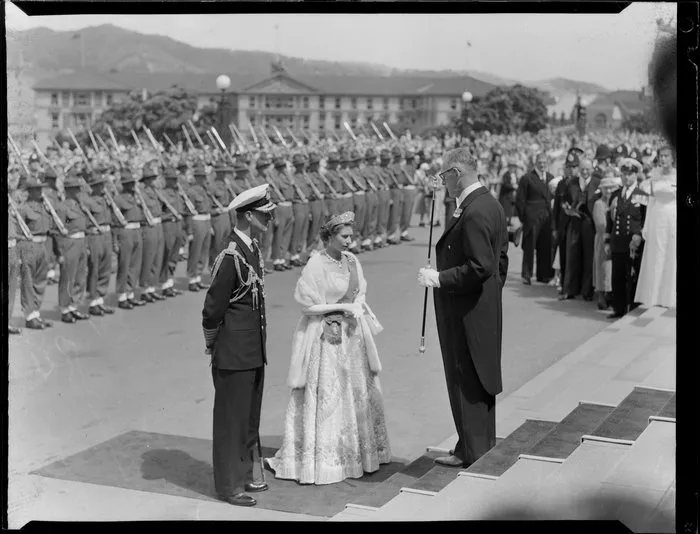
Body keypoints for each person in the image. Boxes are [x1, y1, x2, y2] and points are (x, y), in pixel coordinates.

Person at [266, 211, 391, 484]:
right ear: (330, 237)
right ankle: (325, 460)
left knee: (353, 393)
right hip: (326, 336)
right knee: (329, 397)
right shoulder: (316, 264)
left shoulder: (352, 260)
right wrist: (341, 307)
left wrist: (357, 304)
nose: (349, 241)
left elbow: (362, 291)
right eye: (344, 236)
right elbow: (307, 305)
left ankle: (354, 454)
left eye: (351, 235)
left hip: (352, 335)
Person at [417, 147, 509, 468]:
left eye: (444, 175)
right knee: (477, 378)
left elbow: (480, 266)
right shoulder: (488, 203)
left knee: (466, 379)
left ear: (457, 173)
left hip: (466, 309)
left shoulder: (474, 210)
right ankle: (474, 444)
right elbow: (500, 262)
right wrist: (491, 293)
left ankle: (473, 451)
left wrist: (440, 278)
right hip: (480, 306)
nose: (443, 181)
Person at [201, 184, 276, 508]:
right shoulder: (231, 255)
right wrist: (215, 346)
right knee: (231, 420)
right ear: (248, 215)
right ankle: (229, 485)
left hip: (252, 350)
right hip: (233, 352)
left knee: (248, 417)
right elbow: (213, 309)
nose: (269, 220)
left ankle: (245, 473)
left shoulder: (252, 249)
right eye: (264, 215)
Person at [605, 158, 648, 319]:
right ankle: (619, 307)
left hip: (633, 242)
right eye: (624, 174)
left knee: (632, 276)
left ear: (636, 175)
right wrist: (608, 240)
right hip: (618, 241)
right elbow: (610, 219)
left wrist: (640, 234)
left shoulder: (641, 194)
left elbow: (645, 218)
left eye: (630, 174)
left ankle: (633, 307)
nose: (626, 178)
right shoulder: (616, 195)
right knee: (617, 276)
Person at [634, 146, 676, 309]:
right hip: (657, 218)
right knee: (657, 257)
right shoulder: (655, 175)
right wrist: (646, 225)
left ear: (672, 158)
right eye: (661, 156)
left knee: (671, 256)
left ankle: (669, 296)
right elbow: (650, 200)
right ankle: (655, 296)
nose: (663, 159)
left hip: (672, 218)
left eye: (666, 156)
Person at [515, 152, 554, 285]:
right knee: (529, 247)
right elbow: (520, 199)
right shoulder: (527, 178)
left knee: (545, 246)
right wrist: (523, 217)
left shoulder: (551, 178)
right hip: (532, 217)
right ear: (535, 163)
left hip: (547, 217)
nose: (542, 165)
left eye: (544, 162)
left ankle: (544, 275)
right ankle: (527, 274)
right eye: (540, 162)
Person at [592, 172, 621, 310]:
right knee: (602, 268)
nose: (608, 191)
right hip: (603, 238)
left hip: (614, 239)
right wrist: (606, 241)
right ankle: (601, 296)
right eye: (606, 188)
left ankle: (610, 295)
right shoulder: (599, 204)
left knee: (610, 270)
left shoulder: (615, 202)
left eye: (611, 188)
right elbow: (601, 225)